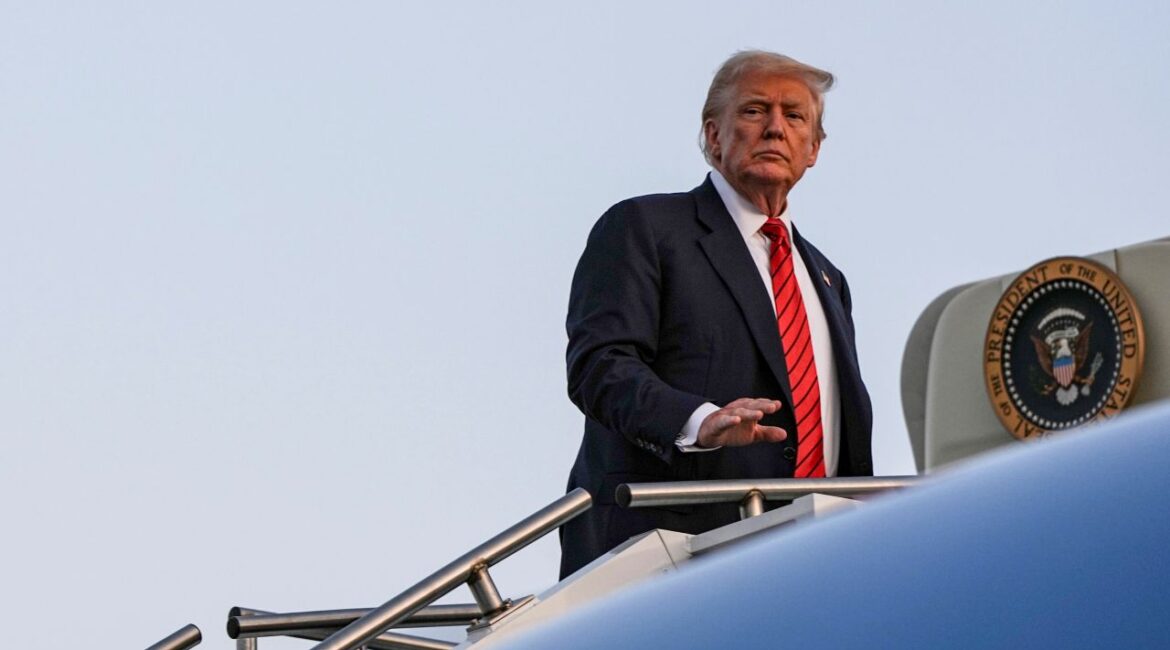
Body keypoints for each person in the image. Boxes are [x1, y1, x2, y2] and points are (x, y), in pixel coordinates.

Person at [559, 50, 874, 579]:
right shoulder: (646, 228)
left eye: (794, 116)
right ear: (712, 135)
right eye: (754, 111)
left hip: (812, 566)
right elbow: (601, 366)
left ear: (814, 149)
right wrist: (699, 421)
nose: (775, 128)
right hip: (667, 559)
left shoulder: (827, 279)